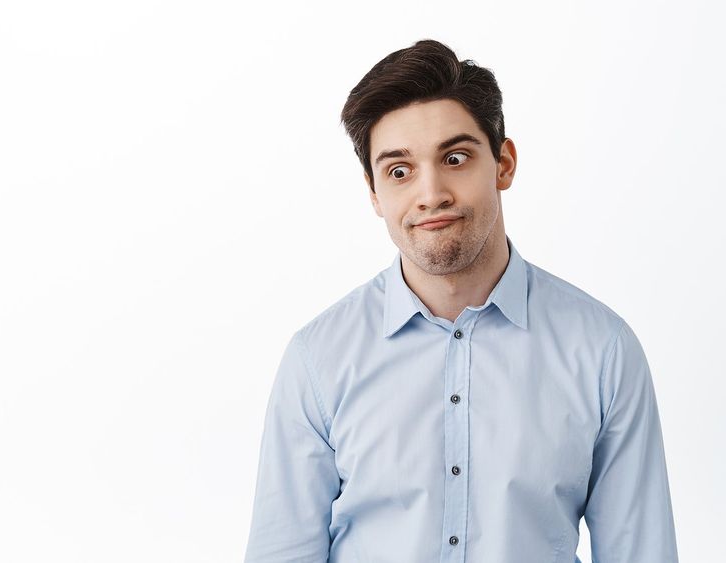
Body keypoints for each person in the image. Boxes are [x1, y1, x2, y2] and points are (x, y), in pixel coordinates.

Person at [243, 39, 679, 563]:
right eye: (399, 171)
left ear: (503, 164)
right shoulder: (318, 359)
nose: (431, 194)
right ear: (374, 192)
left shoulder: (603, 350)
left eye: (455, 158)